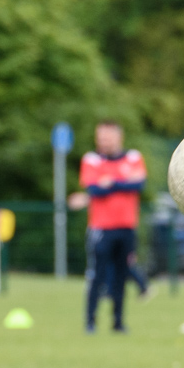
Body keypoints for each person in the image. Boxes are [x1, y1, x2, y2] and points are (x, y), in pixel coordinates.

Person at [68, 121, 146, 333]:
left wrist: (110, 182)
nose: (103, 141)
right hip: (101, 228)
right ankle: (90, 322)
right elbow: (94, 189)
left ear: (119, 137)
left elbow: (138, 184)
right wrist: (122, 182)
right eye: (100, 137)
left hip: (127, 227)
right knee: (96, 276)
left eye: (107, 137)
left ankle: (118, 322)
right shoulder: (91, 159)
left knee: (122, 276)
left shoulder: (133, 157)